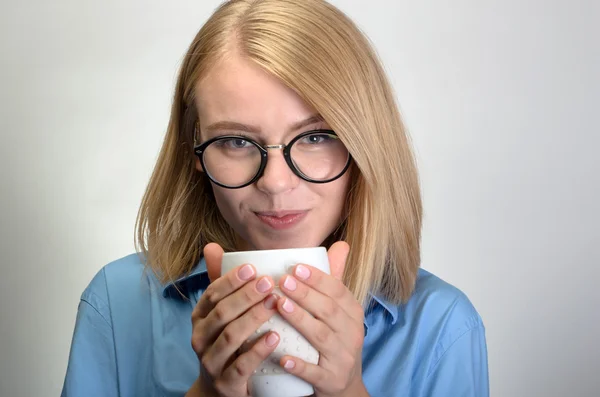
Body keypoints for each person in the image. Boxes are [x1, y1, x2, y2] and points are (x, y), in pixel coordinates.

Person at [61, 0, 489, 396]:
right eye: (236, 141)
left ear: (365, 147)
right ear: (192, 149)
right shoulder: (117, 305)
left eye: (316, 137)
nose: (276, 182)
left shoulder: (441, 326)